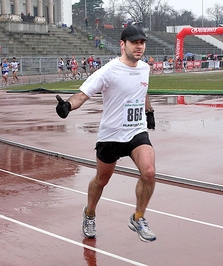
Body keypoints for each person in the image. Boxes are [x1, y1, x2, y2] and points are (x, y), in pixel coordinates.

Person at [55, 25, 157, 243]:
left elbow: (142, 90)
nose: (139, 46)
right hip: (111, 136)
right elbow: (84, 94)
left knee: (148, 171)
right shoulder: (108, 71)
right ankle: (90, 213)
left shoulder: (144, 68)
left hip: (136, 131)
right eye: (134, 42)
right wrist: (68, 107)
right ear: (123, 45)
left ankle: (138, 217)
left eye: (142, 42)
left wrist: (149, 112)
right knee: (102, 180)